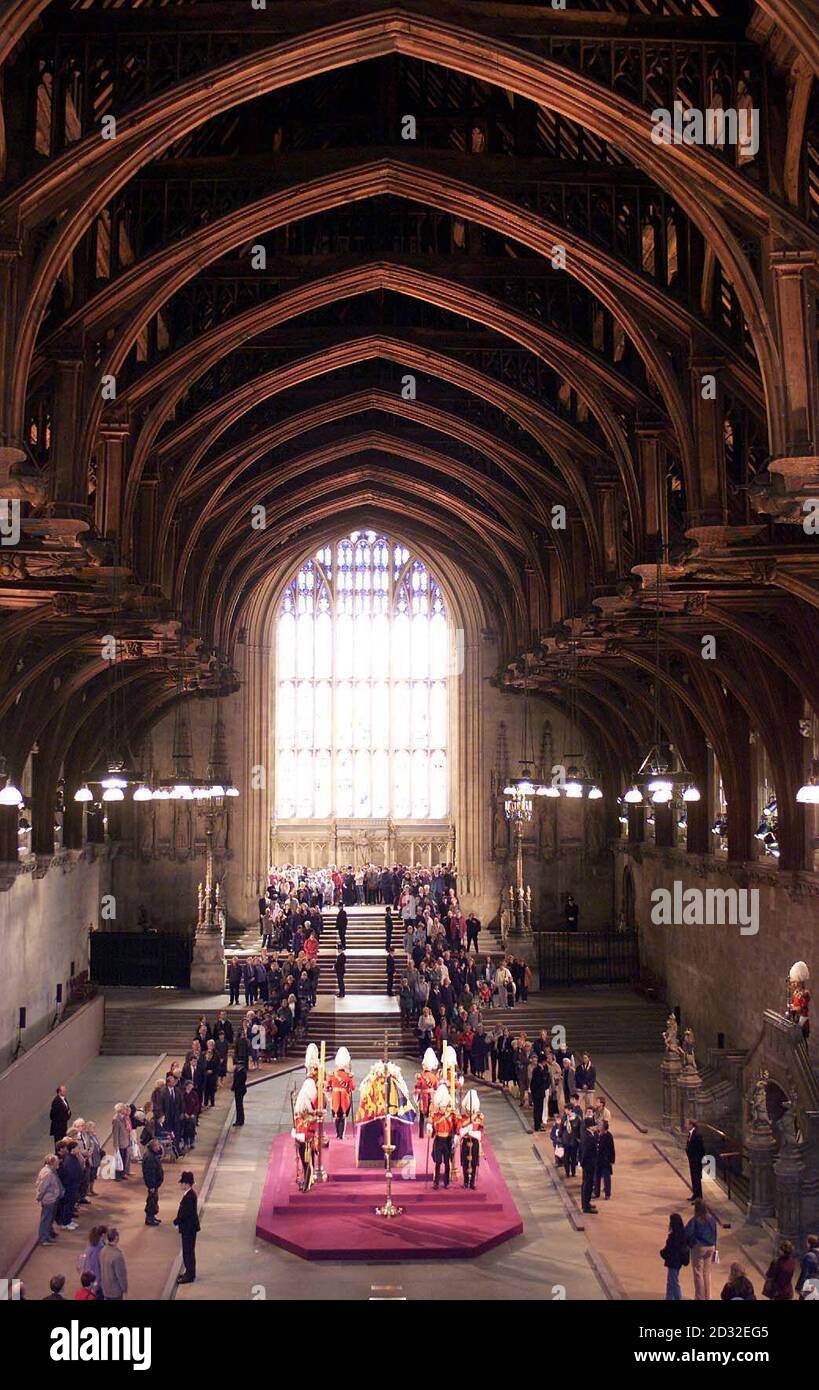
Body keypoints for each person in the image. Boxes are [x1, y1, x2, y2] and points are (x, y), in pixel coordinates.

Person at [685, 1199, 718, 1300]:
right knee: (707, 1273)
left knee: (698, 1273)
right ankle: (708, 1297)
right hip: (711, 1246)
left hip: (699, 1247)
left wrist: (690, 1244)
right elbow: (715, 1233)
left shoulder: (695, 1220)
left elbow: (687, 1233)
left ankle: (700, 1297)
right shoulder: (712, 1219)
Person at [428, 1082, 456, 1190]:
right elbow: (431, 1124)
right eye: (442, 1107)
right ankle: (436, 1182)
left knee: (447, 1163)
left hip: (447, 1140)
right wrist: (429, 1128)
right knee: (438, 1162)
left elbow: (456, 1126)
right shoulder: (436, 1116)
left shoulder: (451, 1116)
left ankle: (446, 1182)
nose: (444, 1109)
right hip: (439, 1140)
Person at [174, 1173, 200, 1284]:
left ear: (186, 1184)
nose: (180, 1185)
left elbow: (184, 1213)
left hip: (188, 1228)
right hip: (190, 1228)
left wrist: (176, 1222)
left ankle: (189, 1275)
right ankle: (189, 1273)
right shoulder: (189, 1194)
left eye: (182, 1183)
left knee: (188, 1252)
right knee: (188, 1251)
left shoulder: (189, 1196)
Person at [326, 1046, 355, 1139]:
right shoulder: (348, 1075)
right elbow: (352, 1087)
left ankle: (337, 1134)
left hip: (335, 1097)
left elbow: (328, 1086)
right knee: (343, 1116)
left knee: (336, 1115)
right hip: (345, 1098)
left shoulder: (333, 1074)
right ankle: (342, 1135)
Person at [458, 1090, 484, 1190]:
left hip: (474, 1142)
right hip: (465, 1141)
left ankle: (472, 1182)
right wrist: (468, 1122)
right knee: (465, 1162)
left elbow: (481, 1130)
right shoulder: (463, 1118)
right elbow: (460, 1129)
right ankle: (465, 1181)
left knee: (474, 1162)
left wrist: (474, 1133)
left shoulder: (479, 1117)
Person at [660, 1213, 689, 1300]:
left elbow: (669, 1250)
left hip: (673, 1261)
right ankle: (669, 1298)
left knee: (673, 1282)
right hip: (678, 1262)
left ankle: (677, 1298)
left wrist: (662, 1253)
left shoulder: (673, 1237)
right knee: (670, 1281)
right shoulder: (683, 1235)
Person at [35, 1154, 63, 1245]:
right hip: (49, 1200)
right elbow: (42, 1187)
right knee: (46, 1219)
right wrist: (39, 1198)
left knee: (49, 1219)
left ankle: (48, 1236)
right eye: (57, 1161)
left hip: (52, 1199)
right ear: (52, 1162)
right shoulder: (48, 1173)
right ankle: (43, 1239)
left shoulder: (50, 1171)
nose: (58, 1162)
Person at [99, 1229, 128, 1301]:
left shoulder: (103, 1250)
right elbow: (121, 1274)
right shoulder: (117, 1255)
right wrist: (124, 1287)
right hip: (115, 1290)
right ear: (116, 1238)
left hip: (105, 1287)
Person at [142, 1139, 164, 1226]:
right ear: (153, 1147)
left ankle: (152, 1217)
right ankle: (149, 1219)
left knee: (154, 1201)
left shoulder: (152, 1154)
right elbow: (149, 1173)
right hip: (152, 1184)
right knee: (151, 1201)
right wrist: (151, 1186)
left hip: (154, 1184)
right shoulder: (150, 1157)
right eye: (158, 1146)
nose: (159, 1147)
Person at [579, 1118, 598, 1214]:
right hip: (589, 1165)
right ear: (590, 1126)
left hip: (586, 1164)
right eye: (594, 1125)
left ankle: (586, 1203)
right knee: (588, 1185)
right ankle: (586, 1206)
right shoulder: (589, 1138)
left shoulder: (586, 1134)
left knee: (586, 1184)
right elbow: (586, 1152)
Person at [593, 1119, 615, 1199]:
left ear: (604, 1127)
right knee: (597, 1177)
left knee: (606, 1178)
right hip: (597, 1159)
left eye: (600, 1125)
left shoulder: (609, 1136)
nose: (598, 1126)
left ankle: (607, 1194)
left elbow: (612, 1149)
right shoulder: (597, 1134)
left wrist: (612, 1160)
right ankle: (596, 1192)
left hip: (605, 1160)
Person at [112, 1102, 132, 1180]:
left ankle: (122, 1173)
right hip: (120, 1142)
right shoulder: (116, 1119)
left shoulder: (123, 1117)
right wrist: (116, 1146)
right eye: (124, 1108)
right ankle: (117, 1176)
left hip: (125, 1142)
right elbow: (115, 1133)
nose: (125, 1110)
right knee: (118, 1160)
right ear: (120, 1110)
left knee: (124, 1158)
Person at [686, 1122, 705, 1200]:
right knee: (693, 1178)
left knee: (697, 1178)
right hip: (692, 1159)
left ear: (691, 1125)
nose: (686, 1126)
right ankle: (695, 1194)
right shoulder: (691, 1133)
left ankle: (699, 1197)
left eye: (687, 1124)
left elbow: (701, 1149)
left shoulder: (697, 1135)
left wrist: (699, 1159)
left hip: (696, 1160)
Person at [796, 1233, 819, 1298]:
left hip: (809, 1286)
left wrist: (799, 1287)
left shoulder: (809, 1256)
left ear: (810, 1243)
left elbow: (804, 1273)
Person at [530, 1056, 547, 1132]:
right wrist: (543, 1072)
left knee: (539, 1109)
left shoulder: (538, 1069)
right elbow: (540, 1081)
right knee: (538, 1110)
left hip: (538, 1093)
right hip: (538, 1093)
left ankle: (539, 1124)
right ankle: (537, 1125)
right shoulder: (538, 1070)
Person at [231, 1060, 248, 1126]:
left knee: (239, 1105)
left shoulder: (242, 1072)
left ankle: (240, 1120)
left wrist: (234, 1087)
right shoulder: (237, 1070)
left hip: (240, 1090)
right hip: (237, 1090)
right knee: (238, 1105)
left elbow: (239, 1082)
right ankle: (239, 1119)